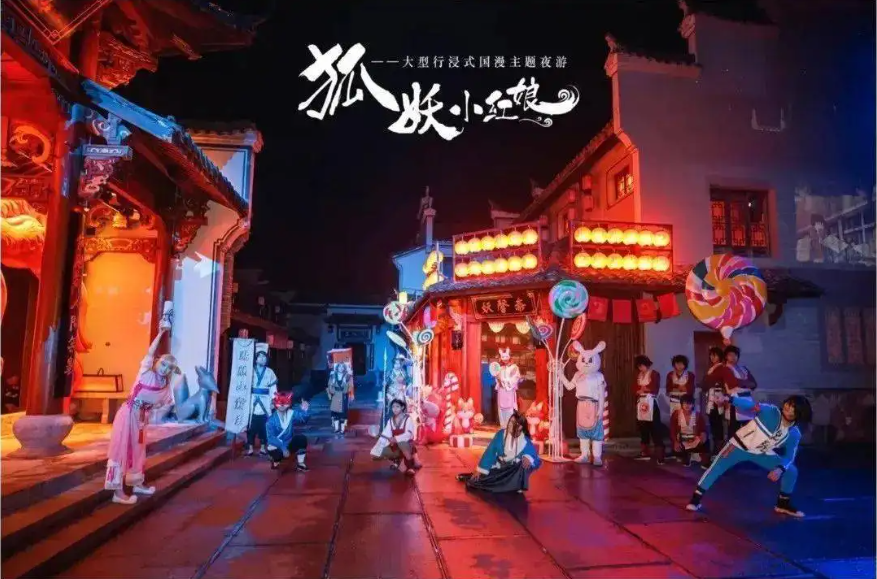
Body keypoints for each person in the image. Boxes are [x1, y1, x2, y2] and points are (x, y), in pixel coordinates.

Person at [686, 395, 812, 517]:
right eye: (789, 403)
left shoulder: (794, 433)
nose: (788, 407)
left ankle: (782, 504)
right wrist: (729, 399)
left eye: (793, 407)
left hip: (761, 453)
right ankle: (695, 499)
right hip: (737, 447)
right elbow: (750, 405)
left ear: (799, 413)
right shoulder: (771, 411)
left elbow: (790, 456)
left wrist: (780, 469)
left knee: (791, 470)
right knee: (716, 468)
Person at [104, 323, 177, 505]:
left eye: (169, 367)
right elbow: (150, 351)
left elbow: (166, 403)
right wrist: (161, 332)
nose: (164, 369)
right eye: (163, 364)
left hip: (142, 418)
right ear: (157, 362)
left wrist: (152, 412)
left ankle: (136, 483)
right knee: (121, 450)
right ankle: (117, 492)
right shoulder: (145, 371)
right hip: (128, 414)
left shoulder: (165, 385)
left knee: (138, 451)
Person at [456, 411, 542, 493]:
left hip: (512, 471)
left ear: (520, 427)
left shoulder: (525, 441)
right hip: (499, 467)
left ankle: (517, 485)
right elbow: (490, 452)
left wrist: (528, 457)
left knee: (524, 464)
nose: (509, 424)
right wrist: (480, 469)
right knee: (482, 480)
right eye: (510, 421)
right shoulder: (501, 434)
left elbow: (535, 457)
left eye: (513, 423)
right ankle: (469, 477)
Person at [373, 398, 422, 475]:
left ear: (402, 407)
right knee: (380, 452)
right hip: (395, 445)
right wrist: (378, 446)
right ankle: (397, 461)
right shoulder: (391, 421)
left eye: (397, 406)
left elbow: (409, 434)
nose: (395, 409)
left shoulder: (408, 419)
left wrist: (396, 439)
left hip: (407, 445)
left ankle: (410, 467)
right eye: (393, 407)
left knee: (403, 444)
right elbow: (386, 433)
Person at [265, 391, 310, 471]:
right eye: (280, 403)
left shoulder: (291, 413)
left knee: (301, 439)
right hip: (276, 445)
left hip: (288, 443)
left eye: (285, 403)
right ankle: (275, 460)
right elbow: (271, 438)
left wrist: (305, 410)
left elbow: (303, 419)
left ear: (288, 404)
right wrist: (283, 448)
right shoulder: (271, 420)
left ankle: (300, 463)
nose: (282, 405)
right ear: (275, 404)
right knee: (278, 455)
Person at [633, 355, 665, 464]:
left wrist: (644, 389)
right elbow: (634, 388)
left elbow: (654, 388)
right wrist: (642, 389)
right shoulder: (638, 375)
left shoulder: (654, 374)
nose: (641, 368)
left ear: (647, 364)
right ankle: (644, 452)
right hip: (641, 403)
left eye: (642, 365)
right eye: (639, 366)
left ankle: (660, 454)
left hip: (651, 402)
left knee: (655, 427)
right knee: (643, 428)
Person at [246, 350, 278, 457]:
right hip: (252, 400)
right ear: (256, 359)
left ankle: (263, 447)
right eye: (260, 357)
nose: (262, 359)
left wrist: (273, 401)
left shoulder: (270, 372)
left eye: (264, 357)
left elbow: (273, 388)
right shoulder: (250, 370)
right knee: (251, 426)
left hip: (265, 400)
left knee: (264, 426)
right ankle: (250, 447)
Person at [721, 346, 758, 433]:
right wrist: (747, 383)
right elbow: (733, 383)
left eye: (735, 355)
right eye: (730, 355)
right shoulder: (726, 369)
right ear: (726, 356)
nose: (733, 357)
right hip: (735, 400)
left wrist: (742, 383)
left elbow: (754, 384)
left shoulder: (744, 369)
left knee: (748, 428)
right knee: (734, 429)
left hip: (748, 399)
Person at [670, 394, 710, 468]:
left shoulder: (697, 415)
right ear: (681, 404)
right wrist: (675, 441)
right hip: (682, 438)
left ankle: (703, 460)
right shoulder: (676, 414)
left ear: (693, 404)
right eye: (685, 403)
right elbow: (672, 430)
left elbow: (703, 429)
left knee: (706, 441)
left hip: (694, 438)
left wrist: (703, 434)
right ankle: (687, 456)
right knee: (682, 457)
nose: (687, 405)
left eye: (689, 403)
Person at [702, 346, 728, 459]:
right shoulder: (711, 368)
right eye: (711, 355)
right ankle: (716, 448)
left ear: (720, 356)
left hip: (718, 398)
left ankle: (719, 448)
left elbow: (717, 382)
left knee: (718, 423)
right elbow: (705, 384)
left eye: (715, 355)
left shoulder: (722, 367)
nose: (712, 357)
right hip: (710, 397)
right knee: (713, 422)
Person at [495, 347, 521, 429]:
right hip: (501, 391)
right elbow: (497, 380)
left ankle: (510, 428)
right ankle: (503, 428)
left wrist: (503, 381)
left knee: (509, 410)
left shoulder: (514, 368)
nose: (505, 359)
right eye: (503, 357)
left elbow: (514, 379)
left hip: (509, 391)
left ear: (510, 356)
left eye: (506, 356)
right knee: (501, 410)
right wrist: (498, 379)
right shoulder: (500, 368)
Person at [327, 362, 352, 436]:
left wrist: (345, 383)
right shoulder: (333, 376)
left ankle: (342, 429)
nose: (341, 368)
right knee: (335, 413)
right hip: (335, 396)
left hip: (343, 397)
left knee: (342, 414)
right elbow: (330, 386)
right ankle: (336, 428)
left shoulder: (347, 377)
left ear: (344, 368)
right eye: (339, 367)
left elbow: (348, 388)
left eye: (342, 367)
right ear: (337, 367)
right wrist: (333, 391)